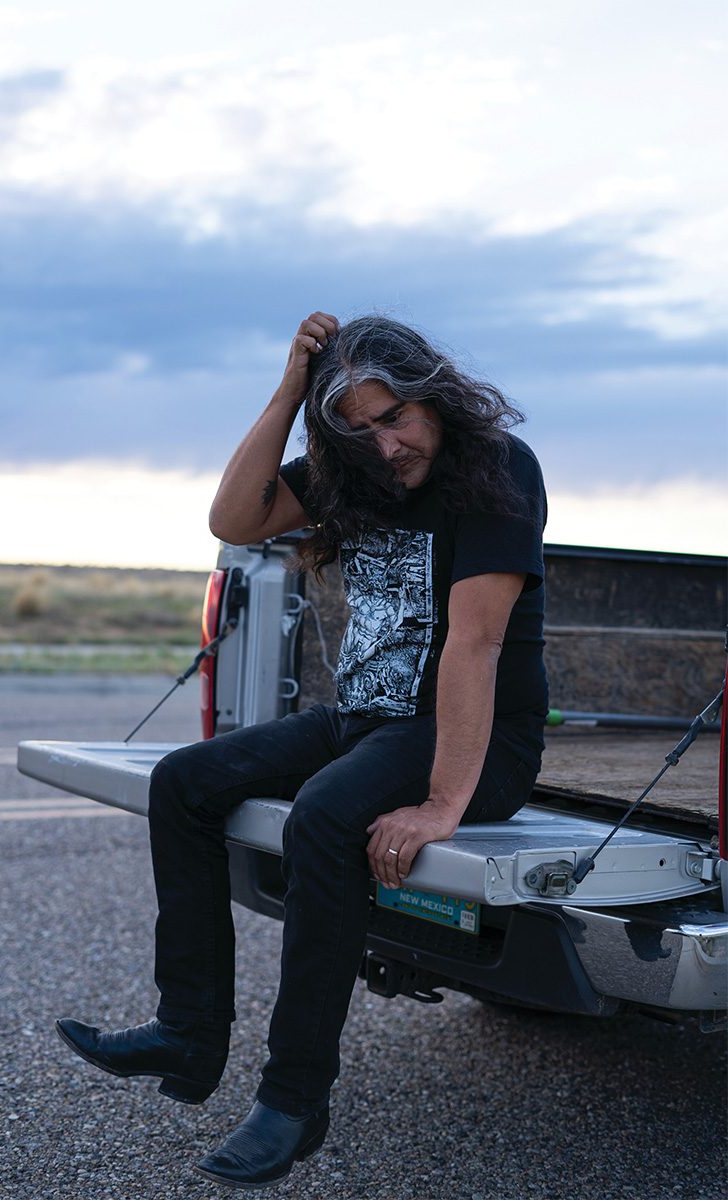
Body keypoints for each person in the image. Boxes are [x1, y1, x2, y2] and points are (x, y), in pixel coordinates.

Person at [56, 312, 548, 1189]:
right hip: (365, 717)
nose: (385, 444)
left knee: (323, 816)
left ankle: (293, 1098)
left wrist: (442, 804)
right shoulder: (349, 470)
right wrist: (290, 391)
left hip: (473, 740)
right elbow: (233, 517)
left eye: (395, 416)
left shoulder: (497, 469)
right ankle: (189, 1031)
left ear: (432, 393)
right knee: (184, 781)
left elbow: (476, 646)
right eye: (356, 428)